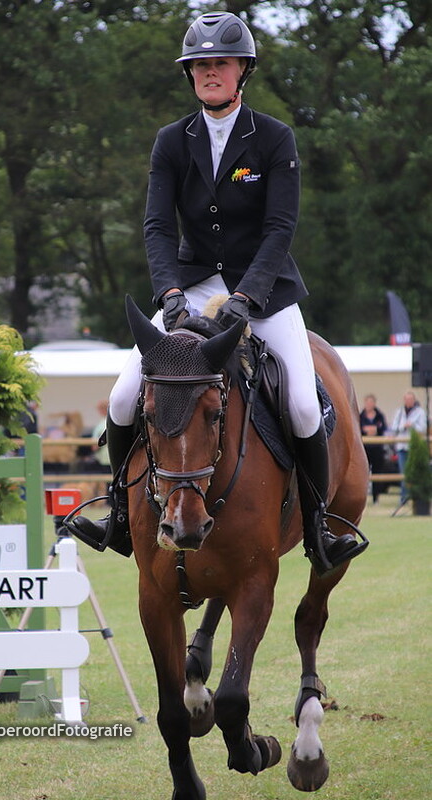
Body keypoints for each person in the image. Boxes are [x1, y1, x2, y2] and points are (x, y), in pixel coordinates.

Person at [67, 11, 366, 575]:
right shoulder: (170, 142)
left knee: (303, 402)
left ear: (241, 71)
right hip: (191, 283)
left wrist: (246, 299)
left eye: (219, 64)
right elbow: (157, 227)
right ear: (191, 75)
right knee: (123, 397)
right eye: (200, 65)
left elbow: (280, 229)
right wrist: (171, 291)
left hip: (266, 291)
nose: (209, 72)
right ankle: (115, 515)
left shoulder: (275, 138)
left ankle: (319, 525)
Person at [391, 390, 427, 504]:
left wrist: (412, 426)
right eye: (407, 399)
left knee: (415, 473)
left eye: (410, 399)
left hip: (415, 448)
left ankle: (415, 497)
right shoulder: (400, 412)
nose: (408, 401)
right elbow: (394, 427)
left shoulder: (420, 412)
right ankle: (404, 497)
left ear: (414, 400)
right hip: (402, 447)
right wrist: (403, 426)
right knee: (403, 473)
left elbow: (423, 428)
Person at [359, 394, 387, 503]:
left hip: (377, 448)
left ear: (374, 403)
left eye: (371, 402)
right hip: (364, 448)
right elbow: (358, 429)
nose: (369, 404)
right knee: (363, 473)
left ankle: (376, 497)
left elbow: (383, 428)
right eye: (367, 402)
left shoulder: (379, 416)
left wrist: (375, 430)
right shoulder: (360, 416)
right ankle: (363, 497)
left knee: (377, 472)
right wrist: (366, 431)